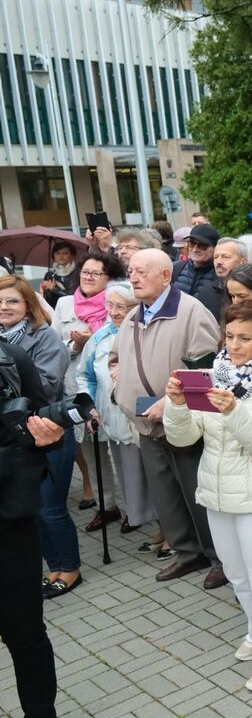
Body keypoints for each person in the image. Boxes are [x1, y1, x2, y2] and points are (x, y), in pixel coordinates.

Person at [164, 299, 252, 692]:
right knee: (238, 576)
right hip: (216, 493)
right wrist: (177, 406)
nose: (236, 345)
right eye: (230, 336)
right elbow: (183, 437)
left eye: (246, 338)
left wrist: (233, 411)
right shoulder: (215, 375)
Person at [112, 249, 224, 586]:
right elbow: (115, 359)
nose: (133, 277)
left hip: (182, 422)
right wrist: (120, 391)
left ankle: (219, 558)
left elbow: (206, 371)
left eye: (142, 271)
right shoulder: (133, 316)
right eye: (131, 271)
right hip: (144, 423)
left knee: (198, 493)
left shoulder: (191, 312)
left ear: (166, 275)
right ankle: (187, 554)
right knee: (165, 495)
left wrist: (169, 404)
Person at [0, 339, 72, 718]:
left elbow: (44, 421)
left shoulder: (9, 356)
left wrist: (48, 437)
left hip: (7, 521)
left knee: (24, 633)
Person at [0, 276, 82, 600]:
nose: (4, 307)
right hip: (15, 440)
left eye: (12, 301)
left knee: (52, 508)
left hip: (49, 432)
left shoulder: (44, 337)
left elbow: (46, 387)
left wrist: (14, 362)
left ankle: (70, 567)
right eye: (0, 301)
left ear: (28, 306)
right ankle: (53, 567)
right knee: (32, 509)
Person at [78, 282, 156, 543]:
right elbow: (85, 375)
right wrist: (90, 407)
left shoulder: (146, 334)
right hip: (111, 417)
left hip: (143, 418)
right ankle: (138, 515)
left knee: (149, 472)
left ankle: (158, 523)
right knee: (126, 470)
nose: (114, 312)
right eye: (110, 305)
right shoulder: (99, 338)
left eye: (122, 307)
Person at [50, 250, 125, 521]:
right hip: (77, 387)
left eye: (96, 273)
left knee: (121, 452)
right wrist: (77, 345)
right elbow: (56, 346)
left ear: (109, 278)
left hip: (110, 388)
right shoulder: (65, 304)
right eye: (85, 272)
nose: (89, 277)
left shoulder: (119, 302)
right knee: (93, 453)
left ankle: (134, 508)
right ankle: (107, 507)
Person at [172, 223, 225, 318]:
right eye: (192, 243)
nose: (195, 249)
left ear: (215, 248)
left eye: (202, 245)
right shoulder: (175, 269)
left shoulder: (221, 276)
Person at [39, 242, 79, 307]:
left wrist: (54, 288)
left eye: (65, 253)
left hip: (72, 309)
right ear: (53, 256)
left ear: (72, 255)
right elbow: (47, 300)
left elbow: (75, 297)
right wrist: (44, 290)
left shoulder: (77, 273)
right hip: (55, 311)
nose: (61, 256)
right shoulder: (50, 274)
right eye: (57, 253)